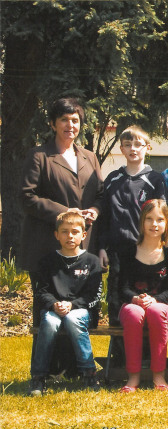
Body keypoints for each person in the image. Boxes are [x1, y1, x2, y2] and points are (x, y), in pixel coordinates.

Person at [21, 97, 104, 326]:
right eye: (64, 119)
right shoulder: (39, 156)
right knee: (48, 318)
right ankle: (45, 352)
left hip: (81, 252)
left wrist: (95, 210)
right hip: (47, 248)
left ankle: (77, 353)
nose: (70, 125)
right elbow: (27, 197)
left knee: (77, 317)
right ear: (52, 123)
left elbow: (100, 195)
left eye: (75, 120)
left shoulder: (90, 157)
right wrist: (66, 213)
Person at [98, 126, 168, 325]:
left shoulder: (155, 180)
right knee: (117, 298)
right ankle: (118, 343)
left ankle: (145, 344)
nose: (133, 149)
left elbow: (161, 217)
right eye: (128, 145)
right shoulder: (113, 179)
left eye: (138, 144)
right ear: (121, 149)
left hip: (145, 250)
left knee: (144, 299)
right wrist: (101, 247)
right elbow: (104, 217)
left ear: (148, 147)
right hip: (117, 251)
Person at [28, 211, 103, 396]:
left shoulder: (92, 262)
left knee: (72, 319)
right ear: (56, 235)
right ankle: (38, 377)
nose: (70, 236)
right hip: (54, 310)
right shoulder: (47, 262)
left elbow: (94, 295)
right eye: (64, 231)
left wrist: (72, 305)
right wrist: (54, 304)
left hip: (81, 311)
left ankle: (89, 373)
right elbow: (41, 292)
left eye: (75, 232)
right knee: (49, 321)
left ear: (83, 235)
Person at [117, 199, 168, 392]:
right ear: (142, 221)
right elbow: (121, 288)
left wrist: (155, 300)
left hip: (161, 307)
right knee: (134, 313)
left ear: (167, 223)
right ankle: (133, 377)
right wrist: (135, 299)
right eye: (149, 219)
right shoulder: (128, 252)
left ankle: (159, 376)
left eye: (160, 219)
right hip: (132, 305)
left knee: (155, 311)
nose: (154, 224)